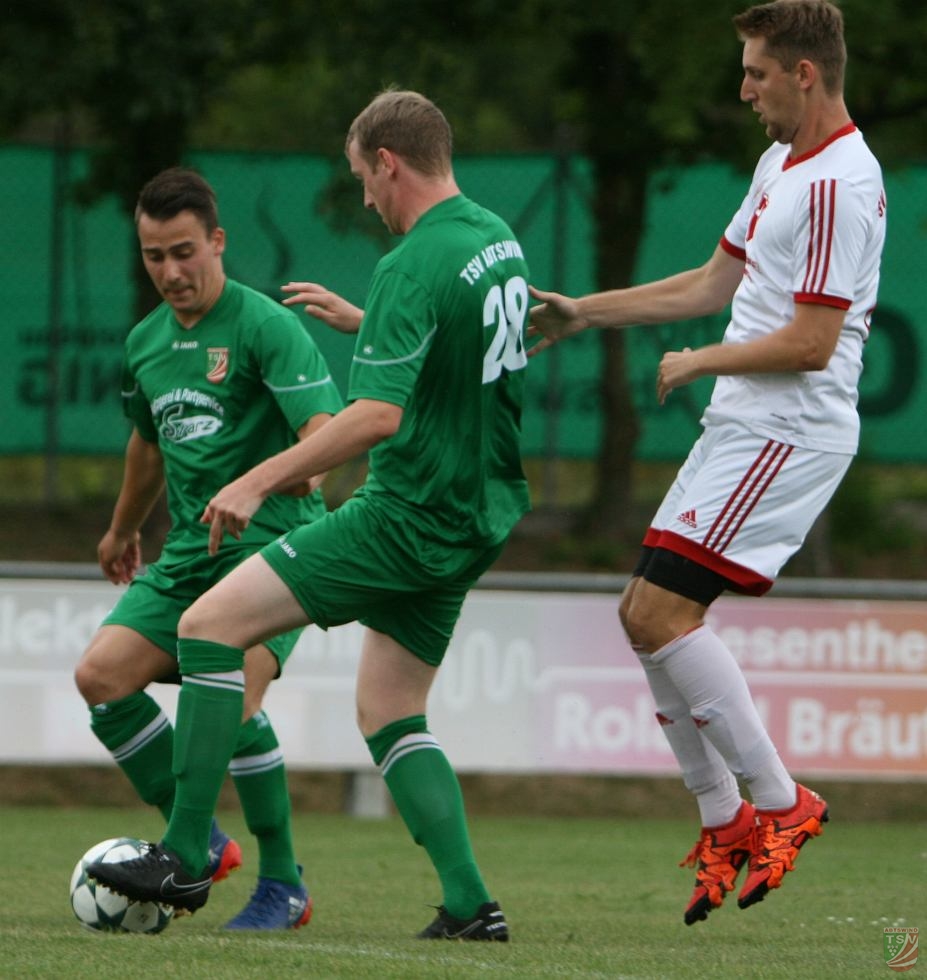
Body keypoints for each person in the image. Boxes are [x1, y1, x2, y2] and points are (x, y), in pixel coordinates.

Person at [88, 89, 530, 942]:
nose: (363, 195)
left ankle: (184, 852)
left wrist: (258, 483)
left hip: (407, 511)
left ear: (388, 163)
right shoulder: (493, 240)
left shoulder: (409, 262)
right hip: (480, 513)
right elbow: (477, 342)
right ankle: (472, 906)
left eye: (363, 177)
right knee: (391, 712)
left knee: (211, 627)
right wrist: (372, 325)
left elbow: (375, 418)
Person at [528, 0, 885, 926]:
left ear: (803, 73)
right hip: (743, 423)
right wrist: (582, 312)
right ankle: (724, 819)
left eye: (756, 72)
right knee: (638, 617)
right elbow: (709, 283)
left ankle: (778, 805)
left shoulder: (841, 183)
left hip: (788, 427)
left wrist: (699, 359)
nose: (744, 89)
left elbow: (811, 342)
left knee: (659, 612)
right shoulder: (780, 165)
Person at [74, 166, 344, 930]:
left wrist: (258, 485)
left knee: (232, 697)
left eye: (184, 252)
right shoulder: (145, 343)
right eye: (154, 256)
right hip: (191, 549)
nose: (170, 272)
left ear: (217, 242)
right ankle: (204, 838)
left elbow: (325, 440)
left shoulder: (264, 326)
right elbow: (147, 446)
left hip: (273, 545)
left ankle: (277, 881)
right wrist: (124, 528)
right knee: (101, 677)